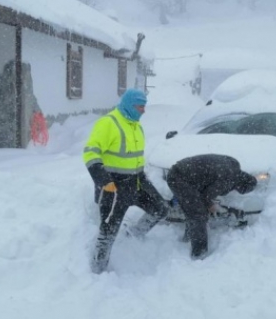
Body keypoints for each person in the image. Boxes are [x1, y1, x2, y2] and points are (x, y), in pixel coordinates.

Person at [83, 88, 168, 274]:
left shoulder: (136, 126)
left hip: (137, 182)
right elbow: (90, 152)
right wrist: (103, 180)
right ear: (130, 105)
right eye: (140, 106)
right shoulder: (108, 123)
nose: (143, 111)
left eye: (144, 106)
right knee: (108, 230)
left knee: (161, 209)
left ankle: (134, 235)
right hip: (113, 186)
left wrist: (142, 179)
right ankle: (97, 270)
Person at [166, 154, 258, 259]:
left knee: (193, 208)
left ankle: (187, 238)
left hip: (184, 172)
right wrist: (210, 205)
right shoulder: (228, 180)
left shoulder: (233, 165)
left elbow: (209, 180)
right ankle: (199, 254)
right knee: (199, 215)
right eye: (240, 190)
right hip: (179, 178)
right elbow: (206, 196)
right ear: (240, 185)